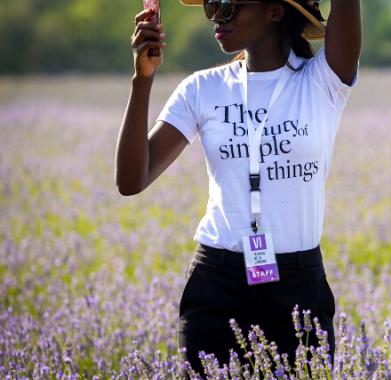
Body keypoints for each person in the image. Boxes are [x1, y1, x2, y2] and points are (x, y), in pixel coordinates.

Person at [115, 0, 361, 374]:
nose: (216, 16)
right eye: (211, 5)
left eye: (228, 6)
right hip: (217, 282)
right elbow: (132, 180)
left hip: (298, 285)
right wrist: (142, 79)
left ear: (275, 11)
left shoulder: (322, 81)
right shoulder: (202, 89)